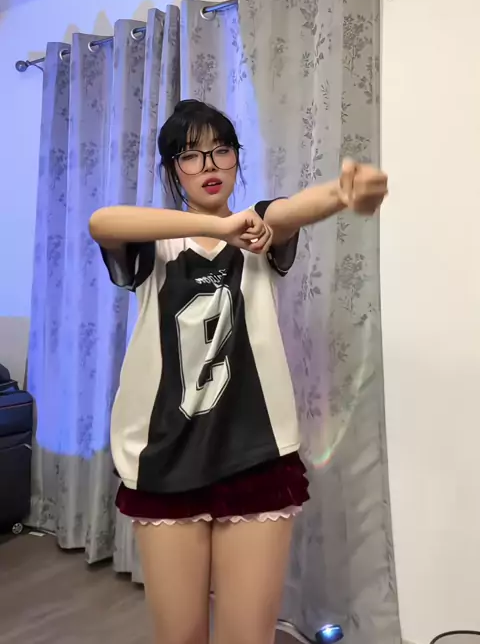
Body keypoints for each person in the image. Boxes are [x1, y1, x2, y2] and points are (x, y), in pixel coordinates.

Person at [89, 99, 388, 644]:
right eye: (191, 155)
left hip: (255, 456)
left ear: (237, 158)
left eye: (221, 150)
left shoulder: (257, 231)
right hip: (165, 458)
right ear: (172, 168)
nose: (209, 165)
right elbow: (101, 222)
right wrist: (217, 225)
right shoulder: (156, 246)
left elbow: (292, 210)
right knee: (179, 636)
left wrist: (342, 193)